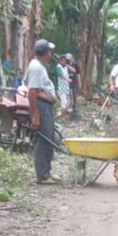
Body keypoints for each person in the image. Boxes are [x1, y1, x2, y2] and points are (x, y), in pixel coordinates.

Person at [23, 39, 58, 185]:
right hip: (41, 106)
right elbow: (32, 91)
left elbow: (34, 88)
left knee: (49, 137)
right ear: (46, 53)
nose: (51, 54)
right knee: (44, 140)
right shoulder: (37, 68)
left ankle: (46, 172)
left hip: (45, 105)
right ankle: (42, 175)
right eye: (50, 51)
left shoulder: (38, 66)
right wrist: (35, 117)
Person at [65, 53, 82, 117]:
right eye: (67, 60)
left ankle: (74, 107)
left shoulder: (75, 64)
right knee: (67, 95)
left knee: (74, 95)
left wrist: (79, 83)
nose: (68, 61)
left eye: (69, 60)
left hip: (73, 82)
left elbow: (77, 73)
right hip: (66, 83)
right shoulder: (64, 64)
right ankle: (67, 107)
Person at [56, 54, 71, 118]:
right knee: (64, 102)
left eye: (64, 60)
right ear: (59, 61)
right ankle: (63, 116)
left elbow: (68, 74)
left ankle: (63, 114)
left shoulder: (66, 67)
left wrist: (68, 82)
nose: (63, 62)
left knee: (67, 102)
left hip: (66, 87)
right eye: (62, 60)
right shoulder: (58, 66)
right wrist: (67, 79)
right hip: (61, 87)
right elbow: (61, 75)